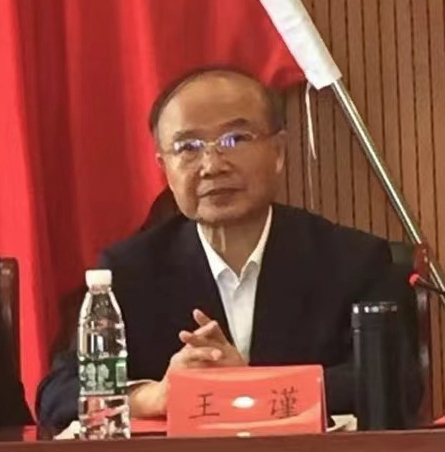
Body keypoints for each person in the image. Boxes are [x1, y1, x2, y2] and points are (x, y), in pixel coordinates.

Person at [36, 67, 421, 429]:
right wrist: (155, 396)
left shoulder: (354, 261)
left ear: (278, 153)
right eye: (187, 147)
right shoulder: (129, 271)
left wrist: (249, 387)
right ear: (164, 168)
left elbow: (395, 385)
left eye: (234, 140)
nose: (212, 165)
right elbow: (57, 395)